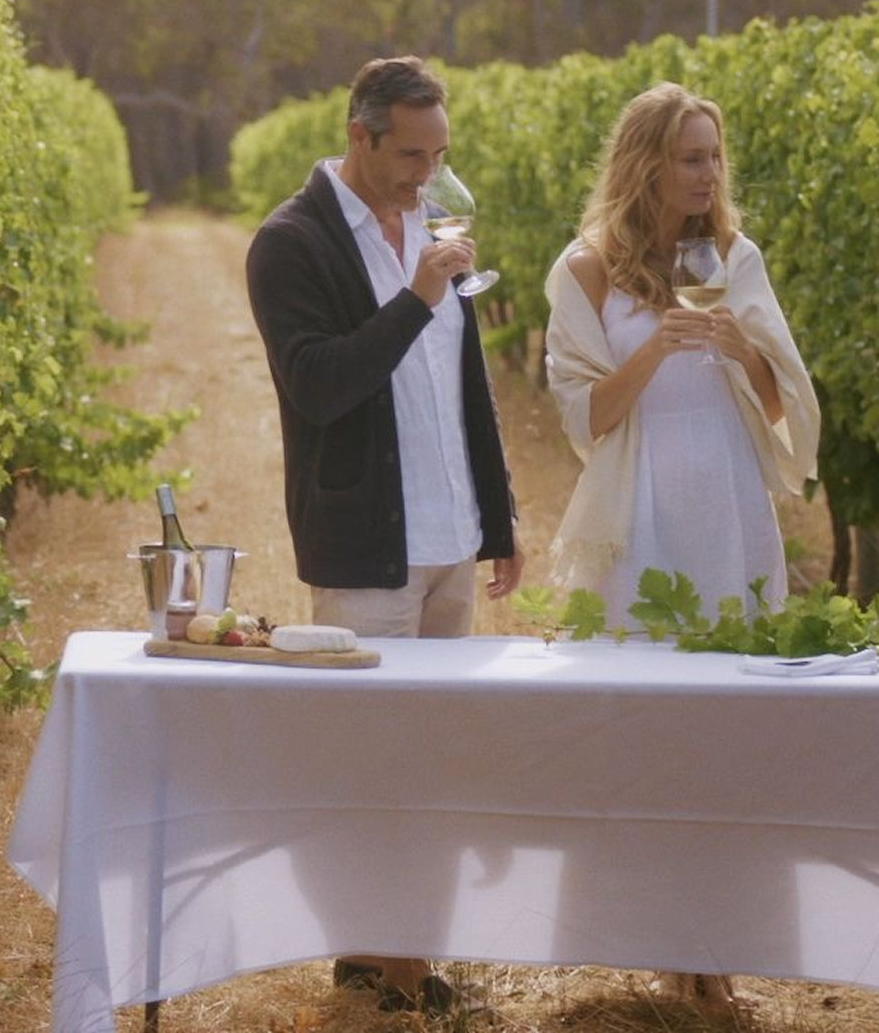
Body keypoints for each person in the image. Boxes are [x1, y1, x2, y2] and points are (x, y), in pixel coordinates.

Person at [246, 54, 524, 1013]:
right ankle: (380, 958)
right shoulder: (291, 243)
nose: (426, 173)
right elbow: (319, 385)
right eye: (410, 154)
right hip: (368, 546)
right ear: (357, 136)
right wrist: (413, 296)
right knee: (370, 759)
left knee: (439, 755)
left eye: (440, 153)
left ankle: (400, 950)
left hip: (451, 537)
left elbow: (464, 388)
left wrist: (499, 515)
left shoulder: (433, 226)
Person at [544, 80, 819, 1009]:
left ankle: (722, 948)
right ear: (646, 163)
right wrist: (654, 349)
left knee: (732, 728)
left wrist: (742, 348)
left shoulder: (732, 256)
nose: (708, 174)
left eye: (714, 156)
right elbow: (584, 418)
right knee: (646, 725)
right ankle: (658, 944)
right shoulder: (582, 270)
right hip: (642, 511)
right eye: (690, 156)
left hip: (728, 510)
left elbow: (784, 404)